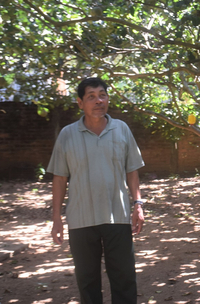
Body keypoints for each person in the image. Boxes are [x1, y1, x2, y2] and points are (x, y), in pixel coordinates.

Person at [47, 77, 145, 304]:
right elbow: (60, 178)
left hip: (117, 217)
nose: (98, 100)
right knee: (88, 283)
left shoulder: (121, 129)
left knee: (124, 279)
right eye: (91, 96)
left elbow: (132, 171)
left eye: (102, 95)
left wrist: (138, 204)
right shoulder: (67, 135)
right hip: (81, 219)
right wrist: (56, 218)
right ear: (80, 103)